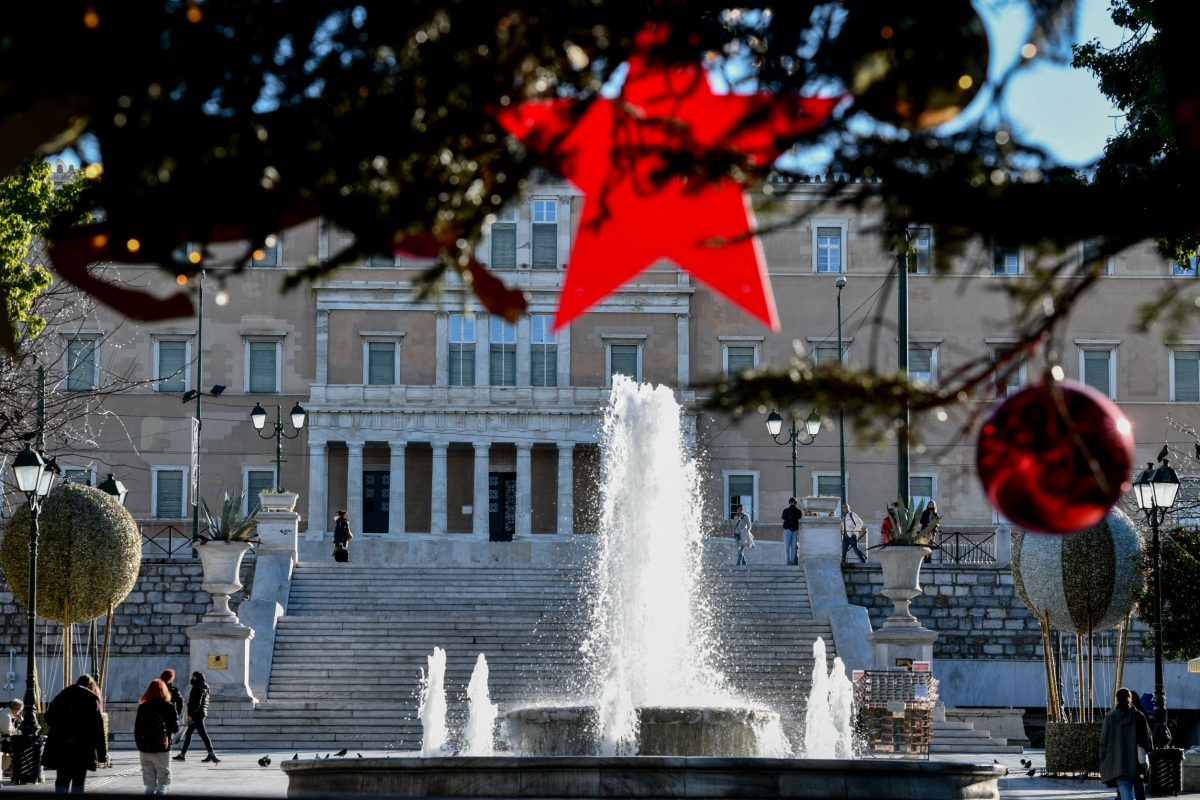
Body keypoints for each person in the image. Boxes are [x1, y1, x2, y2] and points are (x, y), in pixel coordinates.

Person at [43, 674, 107, 793]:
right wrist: (102, 754)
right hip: (82, 747)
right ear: (91, 686)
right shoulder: (91, 699)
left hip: (61, 745)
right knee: (78, 780)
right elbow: (98, 728)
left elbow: (48, 717)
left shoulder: (63, 695)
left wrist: (61, 729)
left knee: (62, 779)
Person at [1099, 687, 1151, 800]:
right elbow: (1146, 740)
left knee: (1124, 788)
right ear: (1130, 699)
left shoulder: (1110, 717)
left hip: (1117, 761)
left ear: (1117, 699)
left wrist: (1102, 757)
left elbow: (1103, 740)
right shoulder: (1139, 716)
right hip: (1136, 762)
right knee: (1138, 788)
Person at [135, 679, 179, 795]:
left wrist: (140, 745)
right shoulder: (168, 706)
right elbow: (175, 728)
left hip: (145, 748)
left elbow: (137, 728)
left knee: (149, 784)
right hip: (162, 747)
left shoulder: (143, 707)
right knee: (163, 781)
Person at [173, 672, 219, 764]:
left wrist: (191, 715)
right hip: (199, 713)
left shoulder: (198, 687)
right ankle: (182, 755)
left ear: (197, 678)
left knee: (203, 734)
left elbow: (197, 703)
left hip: (196, 715)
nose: (192, 678)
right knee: (189, 733)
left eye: (193, 677)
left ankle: (212, 754)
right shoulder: (204, 686)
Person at [1, 698, 23, 778]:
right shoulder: (6, 715)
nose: (19, 713)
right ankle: (7, 768)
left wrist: (18, 721)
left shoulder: (7, 713)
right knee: (16, 748)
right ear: (17, 709)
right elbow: (8, 732)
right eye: (20, 711)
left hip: (5, 739)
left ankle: (7, 768)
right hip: (4, 740)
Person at [781, 498, 802, 566]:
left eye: (793, 502)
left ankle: (792, 561)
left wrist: (794, 509)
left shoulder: (798, 511)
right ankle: (787, 561)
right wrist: (790, 508)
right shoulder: (786, 510)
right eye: (791, 502)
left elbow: (799, 516)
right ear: (789, 503)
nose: (792, 504)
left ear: (795, 503)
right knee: (786, 547)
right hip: (787, 529)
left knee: (794, 547)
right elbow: (783, 517)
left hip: (795, 530)